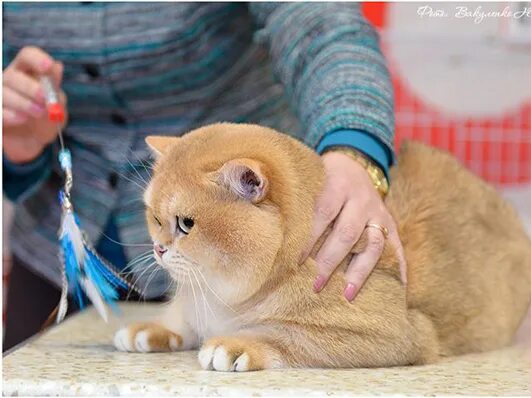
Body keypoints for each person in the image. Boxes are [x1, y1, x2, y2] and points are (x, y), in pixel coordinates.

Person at [2, 2, 405, 350]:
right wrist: (14, 150)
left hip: (252, 251)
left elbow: (320, 24)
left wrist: (355, 148)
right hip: (54, 256)